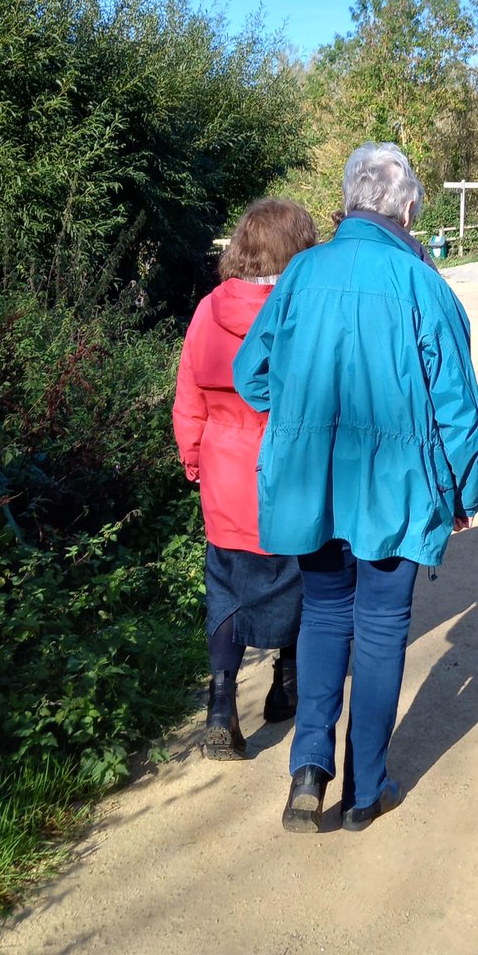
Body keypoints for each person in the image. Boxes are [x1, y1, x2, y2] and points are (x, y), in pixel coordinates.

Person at [234, 142, 478, 835]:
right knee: (379, 632)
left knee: (322, 615)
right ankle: (367, 787)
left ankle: (309, 770)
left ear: (348, 201)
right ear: (408, 208)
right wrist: (465, 491)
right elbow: (458, 409)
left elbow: (250, 373)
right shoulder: (423, 285)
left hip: (312, 485)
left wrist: (300, 421)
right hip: (395, 491)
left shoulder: (299, 275)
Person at [173, 198, 318, 759]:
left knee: (227, 589)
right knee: (303, 577)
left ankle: (219, 705)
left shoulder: (208, 309)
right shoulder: (302, 309)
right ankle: (286, 685)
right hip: (290, 475)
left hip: (224, 475)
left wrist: (193, 458)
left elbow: (189, 397)